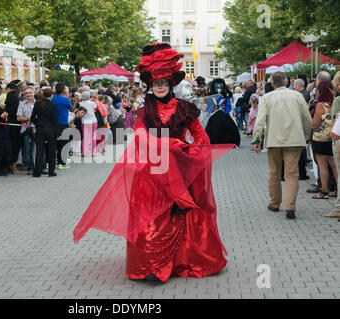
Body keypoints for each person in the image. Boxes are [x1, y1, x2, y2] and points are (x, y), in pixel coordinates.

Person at [74, 42, 234, 282]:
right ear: (150, 85)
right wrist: (172, 145)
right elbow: (140, 136)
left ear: (171, 83)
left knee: (184, 215)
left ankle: (185, 261)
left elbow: (201, 136)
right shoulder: (143, 111)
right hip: (152, 171)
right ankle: (151, 265)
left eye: (163, 83)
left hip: (180, 170)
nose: (159, 87)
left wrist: (193, 155)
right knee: (151, 217)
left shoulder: (185, 108)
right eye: (155, 83)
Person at [252, 72, 312, 219]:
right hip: (294, 139)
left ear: (272, 84)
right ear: (287, 83)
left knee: (274, 173)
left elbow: (260, 121)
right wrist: (305, 135)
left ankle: (274, 203)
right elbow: (307, 119)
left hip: (274, 140)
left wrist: (256, 140)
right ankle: (290, 207)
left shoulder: (267, 97)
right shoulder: (297, 96)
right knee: (292, 174)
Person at [311, 80, 337, 200]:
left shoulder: (320, 105)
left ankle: (324, 190)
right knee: (334, 164)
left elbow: (315, 124)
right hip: (333, 136)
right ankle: (337, 189)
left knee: (322, 165)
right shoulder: (336, 102)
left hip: (320, 138)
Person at [31, 87, 59, 177]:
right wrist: (58, 133)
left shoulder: (37, 104)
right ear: (51, 95)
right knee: (51, 151)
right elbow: (55, 121)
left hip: (40, 130)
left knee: (39, 151)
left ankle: (37, 172)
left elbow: (32, 118)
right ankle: (51, 172)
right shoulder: (53, 105)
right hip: (50, 130)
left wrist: (38, 124)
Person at [51, 83, 73, 169]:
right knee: (63, 144)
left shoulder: (52, 98)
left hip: (54, 123)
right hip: (63, 123)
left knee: (55, 143)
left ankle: (54, 161)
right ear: (63, 90)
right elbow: (71, 109)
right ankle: (62, 163)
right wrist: (75, 102)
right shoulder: (65, 99)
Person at [16, 86, 36, 174]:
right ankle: (30, 168)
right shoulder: (21, 104)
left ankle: (41, 167)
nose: (28, 94)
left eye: (30, 92)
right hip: (26, 130)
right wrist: (30, 118)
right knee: (28, 150)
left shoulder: (39, 103)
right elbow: (18, 118)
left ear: (34, 93)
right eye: (26, 93)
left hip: (38, 130)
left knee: (40, 149)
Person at [5, 83, 22, 174]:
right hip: (17, 126)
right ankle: (14, 167)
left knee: (9, 146)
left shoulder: (7, 104)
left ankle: (8, 165)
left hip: (8, 126)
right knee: (16, 146)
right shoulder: (18, 105)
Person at [79, 91, 98, 157]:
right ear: (89, 97)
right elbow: (96, 107)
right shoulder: (92, 103)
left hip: (85, 120)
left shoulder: (80, 103)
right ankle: (93, 152)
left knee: (85, 137)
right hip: (93, 120)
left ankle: (84, 152)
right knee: (93, 136)